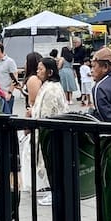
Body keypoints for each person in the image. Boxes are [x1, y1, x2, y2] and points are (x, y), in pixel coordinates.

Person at [32, 57, 67, 204]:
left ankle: (56, 192)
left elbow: (47, 113)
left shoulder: (52, 89)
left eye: (41, 69)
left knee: (52, 162)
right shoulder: (48, 85)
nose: (38, 72)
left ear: (50, 71)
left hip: (51, 133)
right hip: (48, 131)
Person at [23, 50, 43, 115]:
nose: (24, 64)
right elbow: (29, 95)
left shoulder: (33, 79)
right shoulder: (37, 78)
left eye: (26, 61)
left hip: (34, 113)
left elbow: (33, 101)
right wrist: (21, 89)